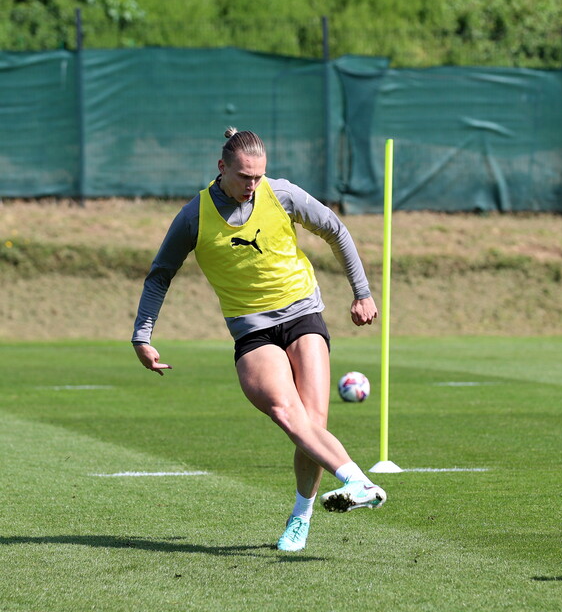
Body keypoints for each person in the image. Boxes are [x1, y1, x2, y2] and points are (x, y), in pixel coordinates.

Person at [132, 127, 386, 553]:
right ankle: (358, 481)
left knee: (313, 422)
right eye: (244, 177)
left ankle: (300, 518)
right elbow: (161, 274)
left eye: (258, 177)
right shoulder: (194, 216)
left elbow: (336, 230)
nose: (253, 185)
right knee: (289, 416)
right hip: (252, 329)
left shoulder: (280, 193)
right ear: (222, 168)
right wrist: (143, 334)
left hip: (303, 311)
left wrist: (361, 292)